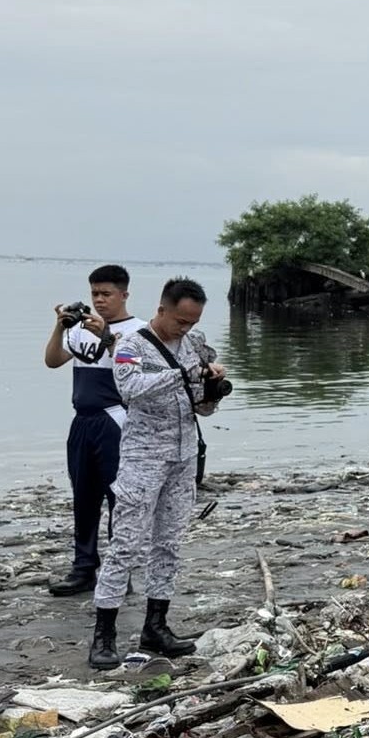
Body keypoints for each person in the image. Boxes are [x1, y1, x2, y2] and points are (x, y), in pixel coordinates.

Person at [88, 277, 226, 669]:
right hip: (143, 458)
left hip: (183, 457)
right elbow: (130, 388)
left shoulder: (193, 346)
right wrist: (183, 374)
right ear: (162, 310)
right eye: (181, 321)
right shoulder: (132, 345)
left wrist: (210, 390)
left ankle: (156, 626)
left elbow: (201, 407)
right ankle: (104, 634)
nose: (186, 328)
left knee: (169, 543)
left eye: (193, 322)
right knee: (126, 544)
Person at [43, 265, 146, 596]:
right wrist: (60, 327)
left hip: (114, 418)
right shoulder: (81, 329)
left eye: (106, 294)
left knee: (119, 497)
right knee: (83, 496)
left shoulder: (139, 331)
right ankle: (84, 568)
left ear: (124, 295)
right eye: (95, 294)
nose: (100, 300)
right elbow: (52, 360)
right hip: (82, 420)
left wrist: (107, 336)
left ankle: (119, 570)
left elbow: (133, 372)